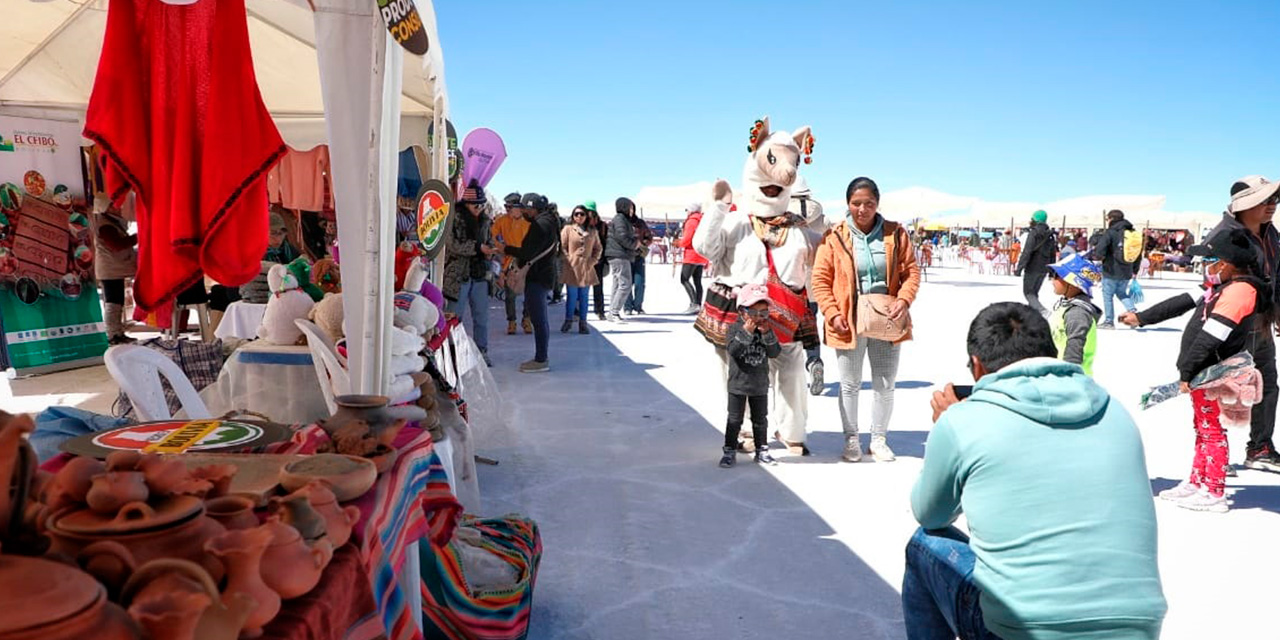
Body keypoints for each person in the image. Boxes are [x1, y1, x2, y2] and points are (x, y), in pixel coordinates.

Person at [906, 302, 1166, 640]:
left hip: (1022, 629)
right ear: (1052, 354)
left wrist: (948, 430)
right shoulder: (1114, 411)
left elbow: (930, 515)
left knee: (923, 545)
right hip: (1136, 629)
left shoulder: (963, 421)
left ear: (977, 365)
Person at [1122, 175, 1280, 473]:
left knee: (1266, 386)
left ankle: (1259, 446)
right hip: (1234, 322)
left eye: (1275, 200)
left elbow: (1278, 276)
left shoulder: (1272, 235)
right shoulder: (1224, 236)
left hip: (1261, 322)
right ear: (1245, 205)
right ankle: (1215, 449)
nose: (1273, 205)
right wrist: (1146, 319)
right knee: (1220, 389)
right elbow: (1202, 294)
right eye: (1266, 200)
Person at [1152, 228, 1270, 512]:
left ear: (1226, 263)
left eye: (1210, 260)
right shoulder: (1220, 287)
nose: (1206, 267)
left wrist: (1186, 371)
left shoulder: (1240, 291)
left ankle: (1214, 490)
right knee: (1203, 428)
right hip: (1204, 373)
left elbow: (1211, 336)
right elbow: (1179, 303)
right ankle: (1197, 480)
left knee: (1212, 431)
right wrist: (1142, 318)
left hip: (1215, 373)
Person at [812, 177, 921, 463]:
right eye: (856, 203)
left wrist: (904, 299)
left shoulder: (896, 234)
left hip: (887, 316)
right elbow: (821, 280)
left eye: (869, 203)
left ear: (878, 203)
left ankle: (879, 439)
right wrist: (832, 313)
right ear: (848, 204)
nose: (862, 209)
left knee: (885, 382)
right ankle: (851, 440)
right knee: (850, 384)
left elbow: (911, 272)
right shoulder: (834, 237)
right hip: (848, 318)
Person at [720, 284, 779, 468]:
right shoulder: (735, 328)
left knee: (760, 419)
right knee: (734, 419)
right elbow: (734, 350)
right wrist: (746, 332)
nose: (759, 318)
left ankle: (762, 449)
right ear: (741, 311)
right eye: (753, 312)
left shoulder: (766, 329)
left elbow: (774, 352)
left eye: (764, 313)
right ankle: (729, 450)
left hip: (760, 383)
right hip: (738, 383)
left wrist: (768, 334)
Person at [443, 184, 495, 366]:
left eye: (481, 204)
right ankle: (452, 353)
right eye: (476, 205)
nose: (479, 208)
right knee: (454, 317)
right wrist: (477, 248)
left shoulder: (485, 221)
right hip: (458, 276)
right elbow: (452, 245)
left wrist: (490, 251)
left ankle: (482, 351)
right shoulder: (453, 219)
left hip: (479, 274)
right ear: (466, 204)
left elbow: (489, 240)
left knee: (481, 317)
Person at [509, 193, 558, 373]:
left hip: (538, 276)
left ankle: (541, 359)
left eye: (525, 208)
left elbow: (528, 252)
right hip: (542, 276)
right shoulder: (548, 221)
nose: (523, 212)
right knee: (539, 317)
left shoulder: (541, 225)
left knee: (538, 318)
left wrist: (504, 249)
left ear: (532, 208)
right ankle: (541, 357)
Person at [93, 195, 138, 345]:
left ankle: (118, 332)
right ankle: (113, 334)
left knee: (117, 302)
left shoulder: (109, 222)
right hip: (110, 269)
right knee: (113, 303)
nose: (118, 207)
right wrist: (138, 238)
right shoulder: (105, 225)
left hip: (113, 268)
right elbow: (116, 245)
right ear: (107, 208)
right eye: (114, 205)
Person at [1047, 253, 1102, 375]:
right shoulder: (1066, 305)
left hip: (1069, 377)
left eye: (1056, 276)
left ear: (1072, 282)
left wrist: (1069, 378)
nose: (1052, 280)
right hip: (1058, 373)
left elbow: (1074, 349)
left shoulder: (1077, 313)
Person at [1092, 209, 1141, 329]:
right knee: (1121, 293)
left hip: (1111, 269)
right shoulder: (1132, 232)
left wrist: (1098, 257)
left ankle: (1109, 321)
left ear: (1112, 219)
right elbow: (1138, 253)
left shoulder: (1111, 232)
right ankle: (1133, 313)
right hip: (1127, 270)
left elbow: (1100, 249)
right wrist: (1135, 269)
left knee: (1107, 296)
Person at [493, 192, 532, 335]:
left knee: (529, 292)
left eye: (510, 206)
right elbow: (493, 237)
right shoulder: (501, 220)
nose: (507, 209)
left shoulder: (528, 222)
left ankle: (527, 319)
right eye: (506, 206)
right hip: (509, 261)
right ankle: (512, 321)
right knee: (510, 295)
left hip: (526, 261)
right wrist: (500, 247)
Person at [559, 205, 602, 334]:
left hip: (587, 267)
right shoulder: (567, 229)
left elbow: (598, 248)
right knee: (572, 296)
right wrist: (569, 259)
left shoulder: (593, 231)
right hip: (572, 267)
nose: (579, 216)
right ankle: (568, 320)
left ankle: (583, 323)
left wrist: (592, 261)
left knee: (584, 297)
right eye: (576, 214)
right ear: (573, 216)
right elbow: (562, 247)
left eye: (582, 214)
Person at [1013, 209, 1056, 315]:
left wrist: (1019, 268)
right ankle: (1031, 315)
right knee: (1034, 293)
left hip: (1032, 267)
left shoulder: (1034, 233)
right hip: (1044, 268)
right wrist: (1051, 271)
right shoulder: (1050, 235)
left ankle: (1042, 311)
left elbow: (1027, 252)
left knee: (1028, 293)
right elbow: (1053, 254)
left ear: (1035, 220)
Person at [604, 197, 639, 323]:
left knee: (617, 284)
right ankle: (614, 311)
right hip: (619, 255)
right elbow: (622, 237)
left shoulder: (623, 219)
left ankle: (612, 312)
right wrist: (635, 244)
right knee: (625, 284)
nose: (632, 210)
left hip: (617, 254)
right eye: (630, 207)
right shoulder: (620, 219)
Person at [675, 202, 709, 315]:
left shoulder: (692, 221)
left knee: (684, 279)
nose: (687, 212)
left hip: (692, 254)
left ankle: (694, 304)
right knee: (697, 281)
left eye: (687, 210)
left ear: (691, 210)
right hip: (701, 254)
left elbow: (687, 239)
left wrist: (678, 243)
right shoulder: (703, 221)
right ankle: (698, 304)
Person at [625, 208, 654, 315]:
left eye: (632, 208)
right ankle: (627, 307)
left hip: (638, 256)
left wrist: (642, 244)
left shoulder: (640, 223)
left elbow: (649, 237)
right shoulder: (622, 223)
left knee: (640, 282)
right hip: (626, 257)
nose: (630, 211)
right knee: (627, 283)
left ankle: (638, 306)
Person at [585, 202, 609, 320]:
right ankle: (578, 311)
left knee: (598, 286)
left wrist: (605, 259)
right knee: (582, 287)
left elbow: (605, 243)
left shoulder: (602, 226)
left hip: (597, 260)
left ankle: (599, 310)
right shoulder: (580, 225)